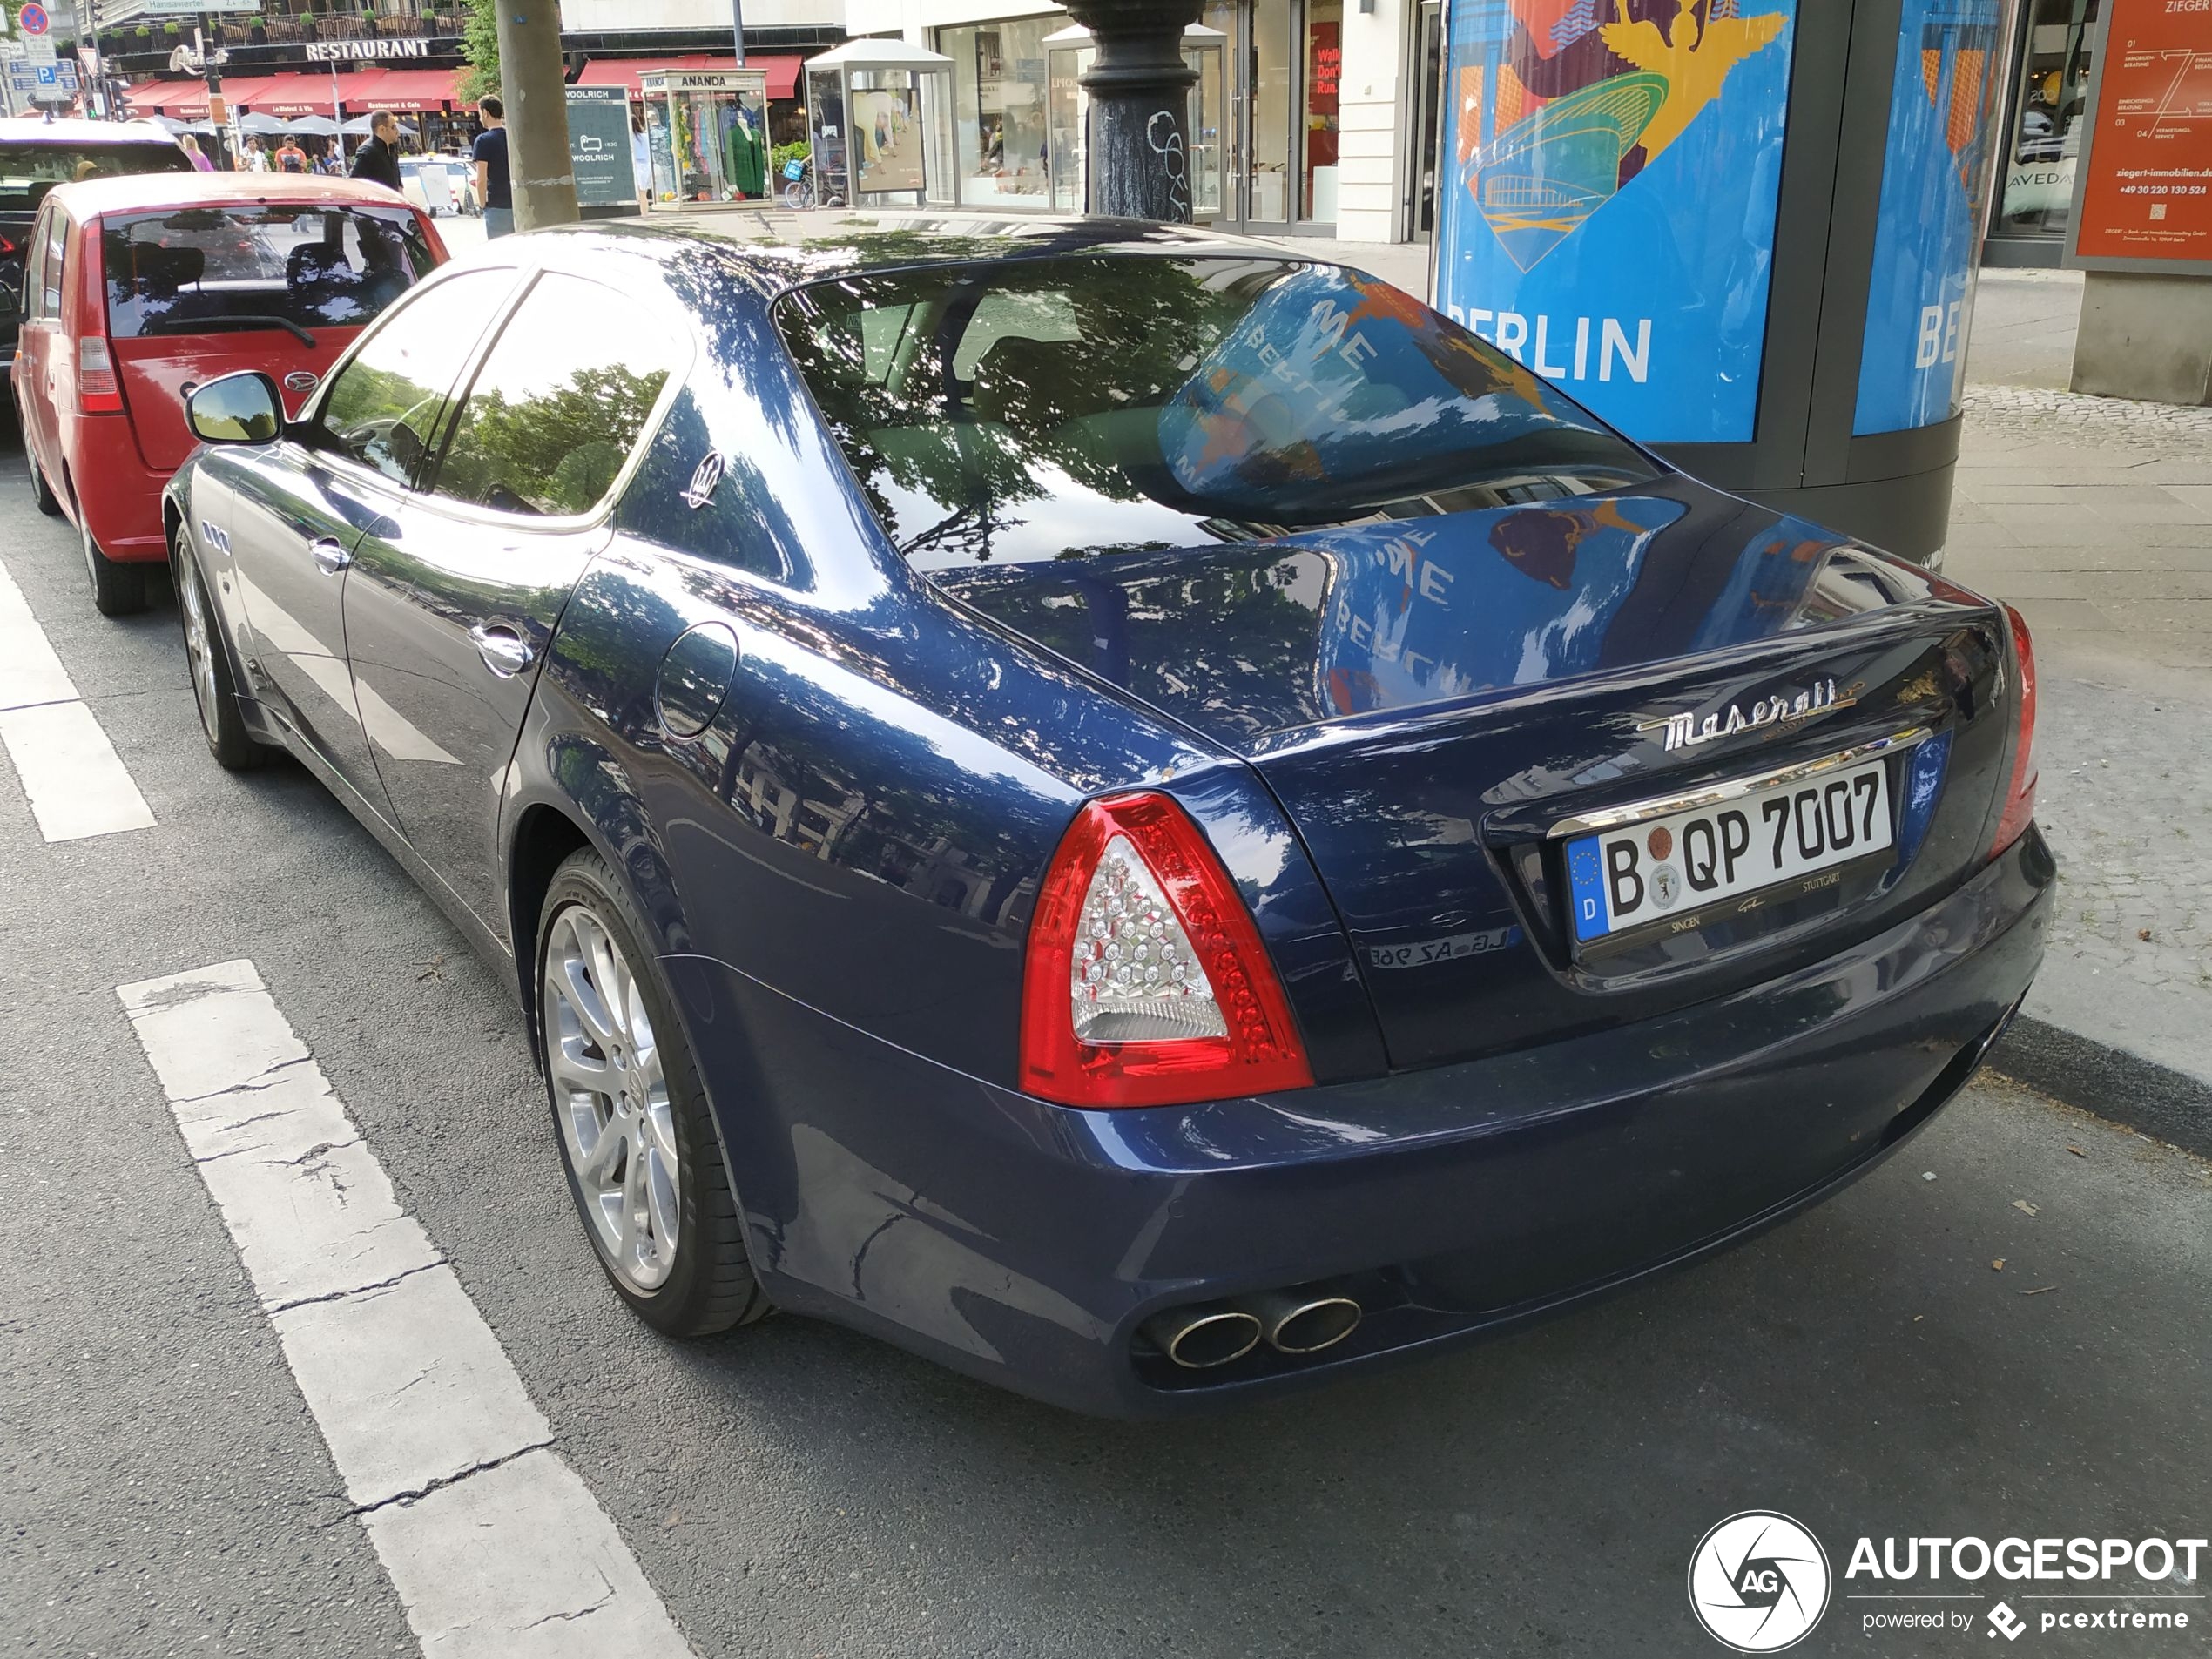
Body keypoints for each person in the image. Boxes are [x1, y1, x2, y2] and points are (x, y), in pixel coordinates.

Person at [473, 96, 512, 238]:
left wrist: (483, 203)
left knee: (500, 251)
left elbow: (481, 178)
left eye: (479, 114)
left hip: (497, 204)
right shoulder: (513, 136)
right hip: (517, 200)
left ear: (485, 112)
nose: (479, 118)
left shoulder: (483, 140)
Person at [349, 110, 403, 193]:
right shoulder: (367, 151)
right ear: (382, 129)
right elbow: (354, 181)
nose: (397, 132)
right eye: (393, 127)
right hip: (377, 203)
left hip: (394, 203)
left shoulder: (392, 148)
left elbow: (397, 182)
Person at [631, 110, 651, 213]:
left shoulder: (631, 138)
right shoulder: (645, 137)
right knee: (644, 193)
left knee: (641, 193)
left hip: (638, 166)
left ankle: (644, 215)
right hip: (647, 166)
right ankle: (645, 213)